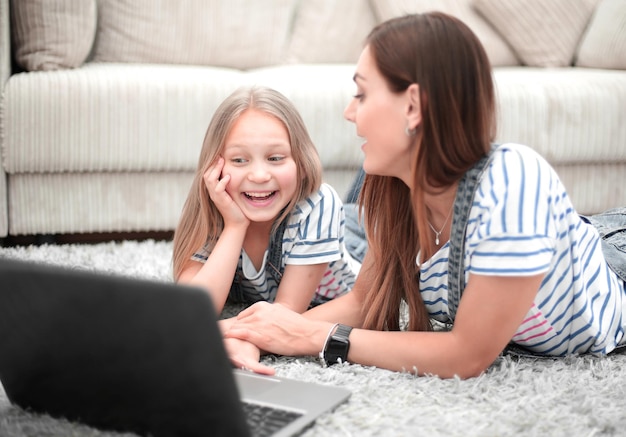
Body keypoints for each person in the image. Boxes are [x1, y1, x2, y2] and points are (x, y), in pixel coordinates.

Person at [224, 12, 626, 379]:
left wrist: (317, 338)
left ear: (413, 105)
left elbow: (466, 355)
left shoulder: (513, 178)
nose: (349, 112)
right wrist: (255, 330)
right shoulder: (396, 191)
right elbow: (365, 300)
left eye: (361, 94)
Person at [172, 86, 359, 370]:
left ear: (302, 162)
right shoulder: (213, 206)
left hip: (357, 243)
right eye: (239, 160)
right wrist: (235, 225)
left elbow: (283, 317)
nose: (259, 175)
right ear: (215, 167)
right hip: (330, 229)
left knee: (368, 215)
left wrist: (238, 336)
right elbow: (191, 312)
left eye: (275, 158)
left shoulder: (318, 205)